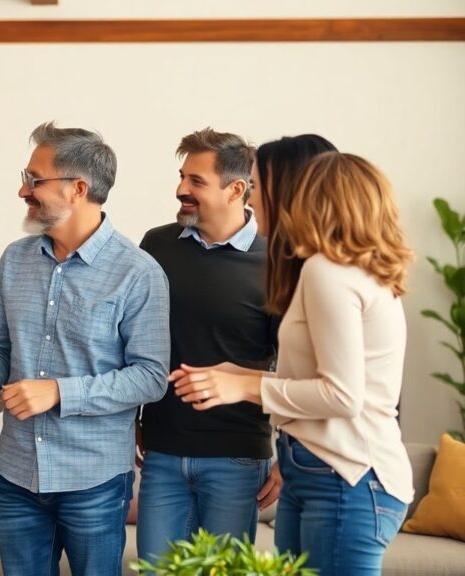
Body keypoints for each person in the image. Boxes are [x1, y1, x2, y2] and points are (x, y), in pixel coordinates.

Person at [173, 151, 414, 575]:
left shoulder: (329, 272)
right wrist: (240, 374)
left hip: (347, 477)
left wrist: (245, 388)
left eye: (262, 189)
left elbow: (341, 396)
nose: (257, 197)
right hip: (330, 472)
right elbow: (321, 379)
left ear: (310, 201)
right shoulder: (350, 270)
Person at [0, 122, 170, 575]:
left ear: (78, 188)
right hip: (16, 473)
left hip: (93, 479)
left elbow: (151, 376)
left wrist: (58, 391)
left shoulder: (139, 272)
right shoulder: (15, 258)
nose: (22, 190)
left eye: (34, 180)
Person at [136, 128, 279, 562]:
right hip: (160, 454)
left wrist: (289, 456)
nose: (181, 189)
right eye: (182, 177)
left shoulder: (277, 261)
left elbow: (297, 368)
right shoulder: (156, 245)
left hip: (236, 458)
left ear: (237, 189)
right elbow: (134, 340)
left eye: (196, 181)